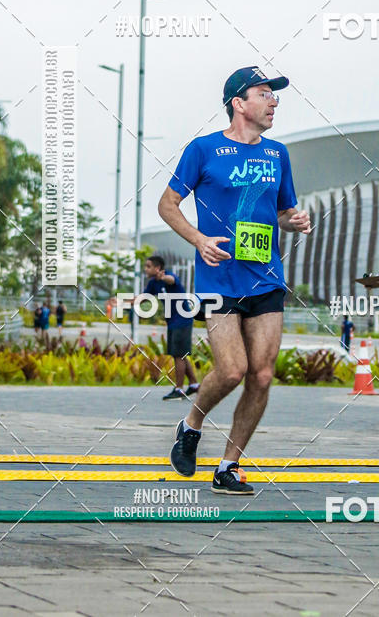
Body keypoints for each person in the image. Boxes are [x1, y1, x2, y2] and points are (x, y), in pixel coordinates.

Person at [158, 66, 311, 494]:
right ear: (238, 103)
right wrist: (199, 238)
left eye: (275, 96)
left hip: (265, 278)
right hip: (217, 279)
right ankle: (190, 426)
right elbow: (167, 204)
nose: (274, 102)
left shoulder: (277, 154)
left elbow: (283, 212)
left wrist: (294, 221)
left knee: (261, 375)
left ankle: (229, 465)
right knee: (231, 370)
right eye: (265, 94)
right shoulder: (203, 150)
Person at [142, 255, 199, 400]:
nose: (145, 269)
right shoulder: (153, 283)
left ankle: (179, 390)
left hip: (183, 319)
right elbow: (142, 298)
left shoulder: (169, 277)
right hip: (173, 321)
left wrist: (163, 278)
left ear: (158, 268)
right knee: (180, 354)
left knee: (178, 355)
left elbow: (172, 280)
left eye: (148, 266)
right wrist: (121, 301)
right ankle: (194, 385)